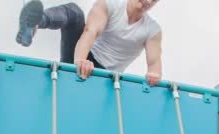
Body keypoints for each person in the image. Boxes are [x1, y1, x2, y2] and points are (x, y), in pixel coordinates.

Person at [16, 0, 162, 86]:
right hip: (83, 57)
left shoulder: (152, 30)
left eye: (154, 0)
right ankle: (35, 23)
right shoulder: (110, 4)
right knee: (75, 13)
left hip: (106, 77)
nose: (148, 2)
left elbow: (154, 64)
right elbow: (90, 32)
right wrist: (81, 61)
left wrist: (154, 76)